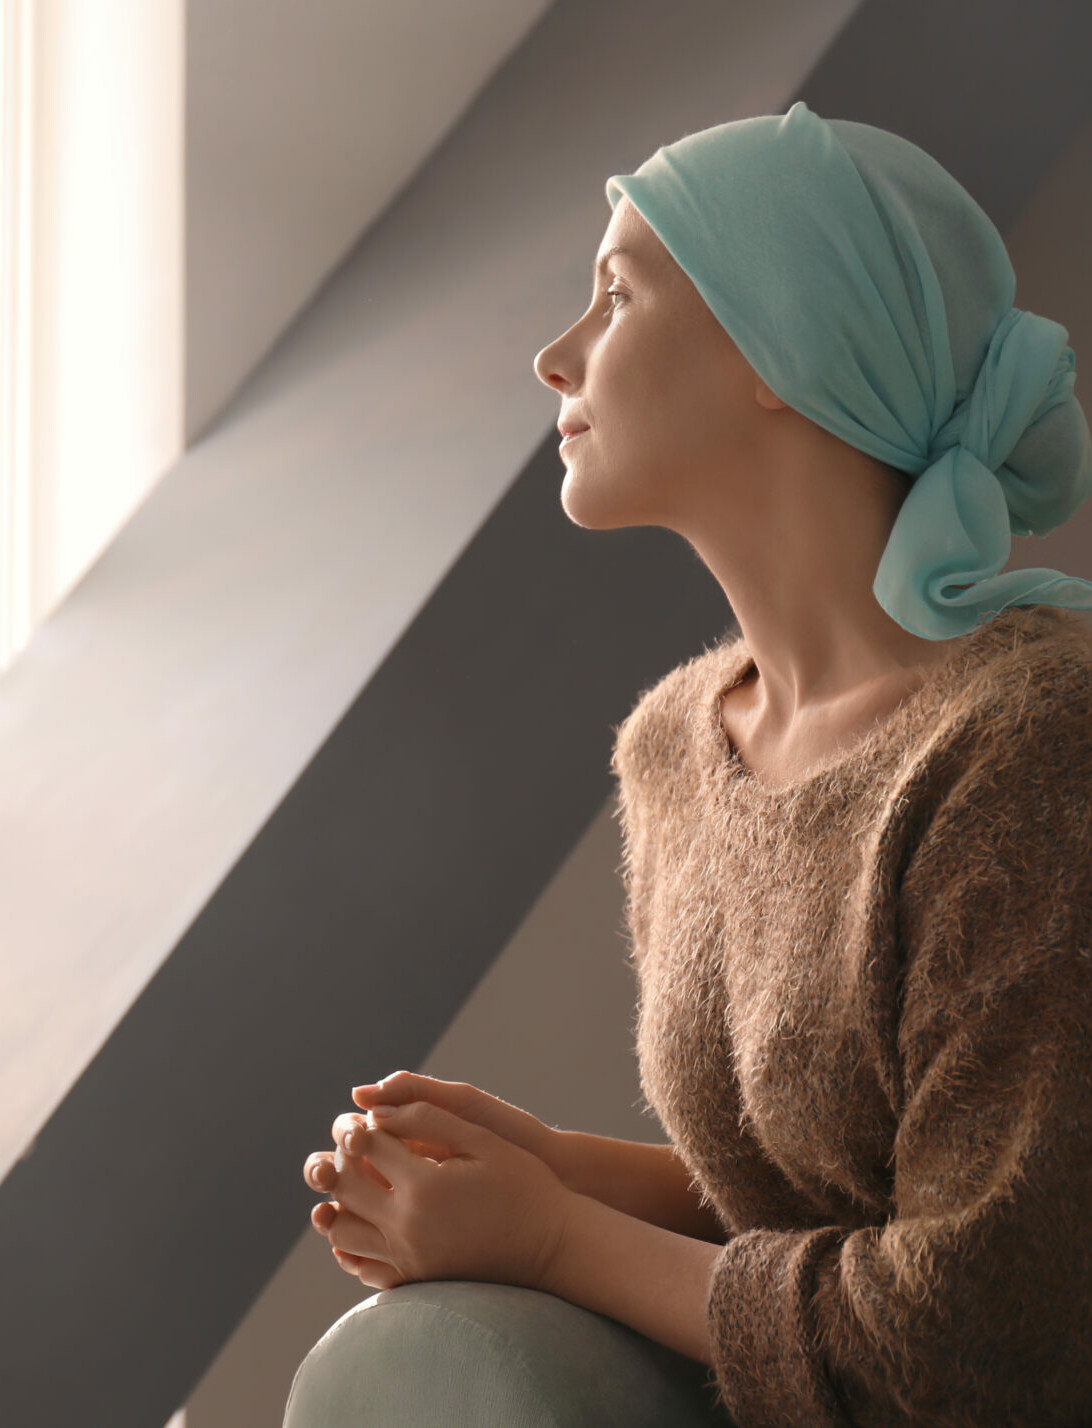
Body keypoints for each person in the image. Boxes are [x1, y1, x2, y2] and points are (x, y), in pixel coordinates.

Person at [283, 101, 1092, 1426]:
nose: (556, 357)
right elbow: (821, 1199)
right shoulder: (675, 746)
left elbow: (985, 1328)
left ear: (783, 345)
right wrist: (554, 1167)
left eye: (614, 298)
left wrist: (552, 1235)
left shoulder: (1029, 750)